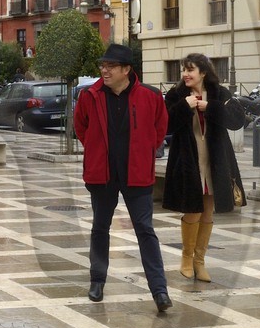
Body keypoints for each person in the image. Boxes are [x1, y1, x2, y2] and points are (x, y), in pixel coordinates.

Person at [71, 43, 171, 311]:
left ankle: (159, 290)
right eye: (102, 65)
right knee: (100, 228)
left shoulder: (149, 96)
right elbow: (80, 127)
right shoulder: (90, 96)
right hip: (102, 175)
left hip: (137, 175)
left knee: (145, 231)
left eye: (110, 66)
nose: (104, 70)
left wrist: (145, 151)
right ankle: (97, 281)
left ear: (126, 70)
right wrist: (95, 149)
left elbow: (160, 128)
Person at [162, 54, 245, 282]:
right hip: (188, 159)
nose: (186, 74)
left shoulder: (219, 93)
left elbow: (237, 121)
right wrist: (183, 106)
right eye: (184, 70)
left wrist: (210, 107)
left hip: (215, 159)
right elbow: (164, 124)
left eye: (191, 70)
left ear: (203, 72)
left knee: (208, 210)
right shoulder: (176, 95)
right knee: (192, 208)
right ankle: (186, 258)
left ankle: (200, 261)